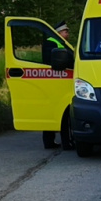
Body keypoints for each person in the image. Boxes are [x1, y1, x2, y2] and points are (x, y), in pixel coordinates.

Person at [42, 21, 71, 149]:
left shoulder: (57, 42)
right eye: (66, 31)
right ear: (59, 32)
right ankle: (65, 143)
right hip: (55, 81)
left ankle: (50, 142)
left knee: (53, 112)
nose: (68, 34)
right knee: (63, 114)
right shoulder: (51, 42)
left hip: (57, 80)